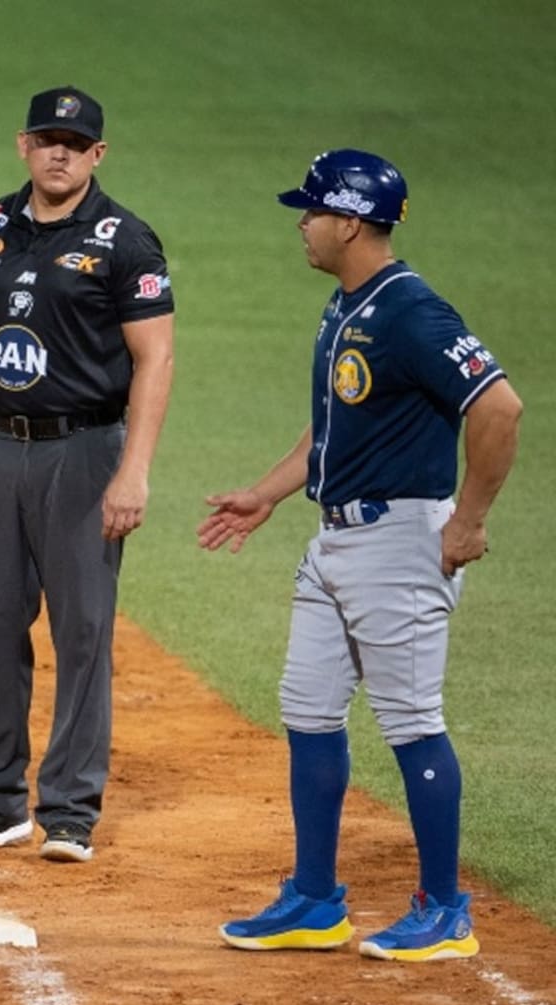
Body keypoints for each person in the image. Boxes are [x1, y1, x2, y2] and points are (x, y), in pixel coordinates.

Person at [198, 149, 522, 961]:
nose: (300, 224)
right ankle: (314, 898)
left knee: (412, 724)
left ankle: (445, 907)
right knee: (308, 711)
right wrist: (268, 492)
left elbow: (500, 407)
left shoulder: (412, 312)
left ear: (348, 221)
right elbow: (334, 429)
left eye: (310, 211)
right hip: (334, 540)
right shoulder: (346, 306)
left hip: (399, 544)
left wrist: (469, 521)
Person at [0, 86, 175, 863]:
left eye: (76, 141)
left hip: (84, 452)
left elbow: (154, 359)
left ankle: (69, 809)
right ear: (22, 144)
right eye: (47, 137)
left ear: (98, 155)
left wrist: (135, 471)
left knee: (82, 630)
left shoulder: (126, 241)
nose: (59, 152)